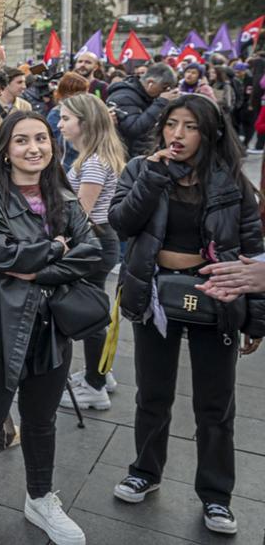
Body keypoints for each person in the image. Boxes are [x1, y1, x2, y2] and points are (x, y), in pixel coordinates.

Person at [107, 95, 264, 535]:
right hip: (156, 297)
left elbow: (253, 252)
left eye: (189, 126)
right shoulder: (143, 168)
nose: (177, 134)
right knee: (152, 395)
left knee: (215, 405)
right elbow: (121, 222)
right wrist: (153, 178)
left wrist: (256, 320)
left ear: (209, 132)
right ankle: (145, 470)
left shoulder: (231, 181)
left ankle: (216, 497)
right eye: (171, 124)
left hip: (216, 298)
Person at [0, 111, 101, 545]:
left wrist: (37, 266)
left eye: (42, 138)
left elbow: (93, 252)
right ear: (5, 150)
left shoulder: (65, 197)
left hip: (50, 326)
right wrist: (59, 248)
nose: (34, 148)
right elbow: (2, 258)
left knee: (41, 421)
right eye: (21, 140)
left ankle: (40, 498)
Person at [55, 92, 126, 412]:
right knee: (95, 307)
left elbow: (81, 213)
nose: (60, 124)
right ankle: (100, 372)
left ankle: (96, 386)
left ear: (84, 123)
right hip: (100, 242)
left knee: (91, 312)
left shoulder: (94, 162)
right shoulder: (92, 157)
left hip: (94, 242)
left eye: (66, 118)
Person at [107, 62, 179, 157]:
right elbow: (133, 129)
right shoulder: (124, 96)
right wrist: (161, 102)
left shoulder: (146, 96)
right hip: (125, 156)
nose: (165, 92)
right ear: (150, 83)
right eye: (164, 87)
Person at [45, 72, 90, 171]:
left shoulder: (84, 111)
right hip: (66, 167)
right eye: (82, 93)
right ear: (68, 94)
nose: (86, 96)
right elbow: (57, 142)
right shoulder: (56, 114)